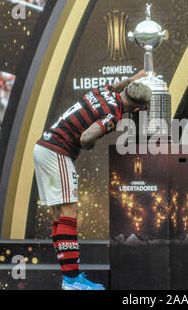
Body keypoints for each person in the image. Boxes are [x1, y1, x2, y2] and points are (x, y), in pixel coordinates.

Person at [33, 70, 152, 290]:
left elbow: (119, 86)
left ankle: (69, 276)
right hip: (57, 151)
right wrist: (89, 144)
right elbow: (86, 137)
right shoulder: (113, 116)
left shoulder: (104, 91)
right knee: (69, 213)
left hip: (43, 146)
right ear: (136, 108)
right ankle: (71, 280)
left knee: (59, 215)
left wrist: (134, 78)